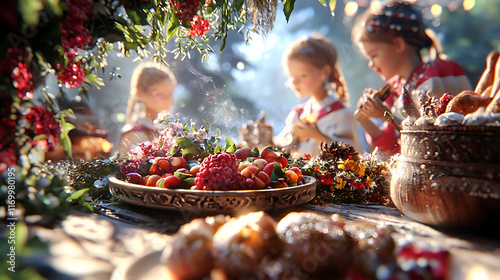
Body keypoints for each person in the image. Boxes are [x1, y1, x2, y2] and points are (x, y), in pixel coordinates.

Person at [352, 0, 471, 157]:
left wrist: (386, 115)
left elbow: (430, 138)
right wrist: (364, 118)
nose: (371, 64)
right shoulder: (394, 87)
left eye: (374, 55)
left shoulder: (433, 75)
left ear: (398, 44)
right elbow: (391, 148)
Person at [274, 34, 362, 157]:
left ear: (325, 72)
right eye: (291, 77)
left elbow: (353, 156)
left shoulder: (341, 114)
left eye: (302, 76)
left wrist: (318, 136)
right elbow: (279, 148)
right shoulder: (299, 113)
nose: (294, 82)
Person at [118, 62, 177, 155]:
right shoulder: (134, 134)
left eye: (170, 93)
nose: (167, 98)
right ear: (141, 93)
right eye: (158, 93)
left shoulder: (171, 129)